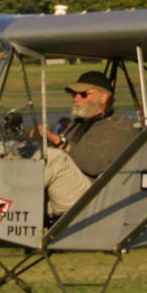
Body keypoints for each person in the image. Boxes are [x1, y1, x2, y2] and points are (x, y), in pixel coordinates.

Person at [42, 71, 136, 215]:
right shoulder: (78, 123)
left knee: (54, 158)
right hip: (67, 190)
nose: (76, 98)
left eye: (84, 94)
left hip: (94, 196)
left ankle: (19, 201)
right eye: (74, 94)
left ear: (104, 97)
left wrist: (62, 143)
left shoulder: (119, 127)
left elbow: (95, 165)